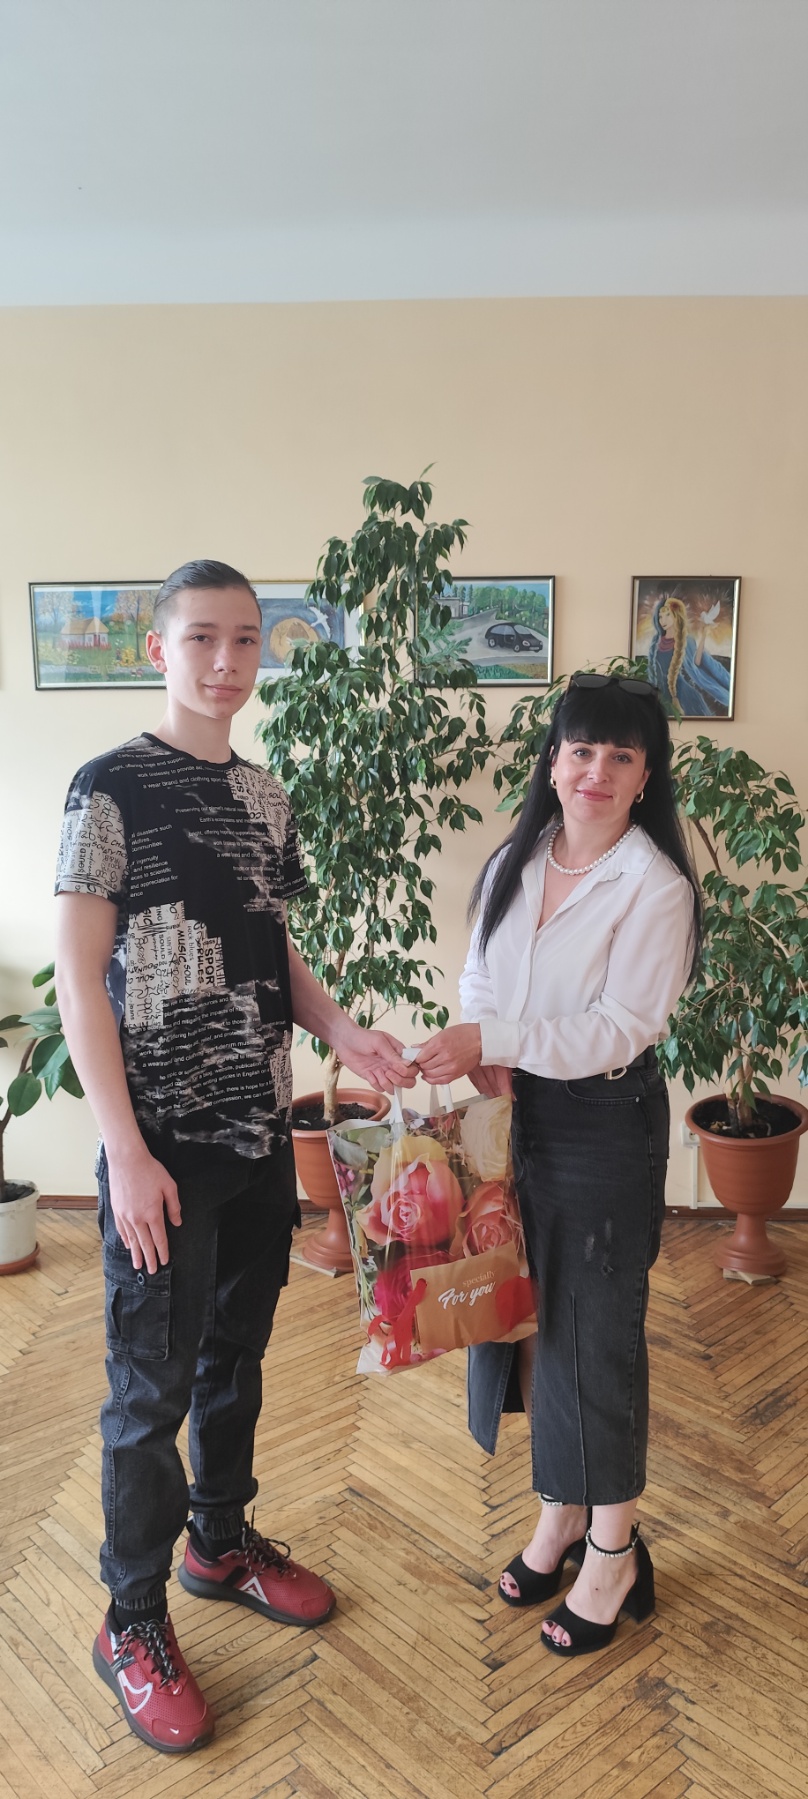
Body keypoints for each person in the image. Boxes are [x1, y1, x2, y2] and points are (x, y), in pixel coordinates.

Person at [54, 559, 415, 1753]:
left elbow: (272, 946)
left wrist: (343, 1030)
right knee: (145, 1393)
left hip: (258, 1137)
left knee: (234, 1357)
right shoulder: (108, 787)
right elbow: (79, 980)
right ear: (159, 650)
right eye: (202, 636)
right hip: (159, 1151)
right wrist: (121, 1148)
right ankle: (130, 1617)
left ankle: (217, 1539)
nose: (226, 660)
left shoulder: (264, 794)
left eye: (246, 639)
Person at [414, 672, 701, 1658]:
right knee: (529, 1323)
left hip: (603, 1123)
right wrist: (481, 1045)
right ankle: (563, 1515)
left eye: (620, 754)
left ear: (645, 776)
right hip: (518, 1111)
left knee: (595, 1336)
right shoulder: (518, 858)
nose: (596, 770)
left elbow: (620, 1025)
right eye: (581, 749)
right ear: (553, 759)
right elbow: (481, 975)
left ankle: (614, 1552)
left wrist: (493, 1037)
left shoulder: (655, 886)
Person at [647, 594, 731, 716]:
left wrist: (703, 635)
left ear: (676, 616)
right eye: (660, 617)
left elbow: (696, 662)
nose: (663, 620)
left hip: (684, 696)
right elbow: (653, 671)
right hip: (662, 694)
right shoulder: (656, 642)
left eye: (667, 615)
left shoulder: (687, 640)